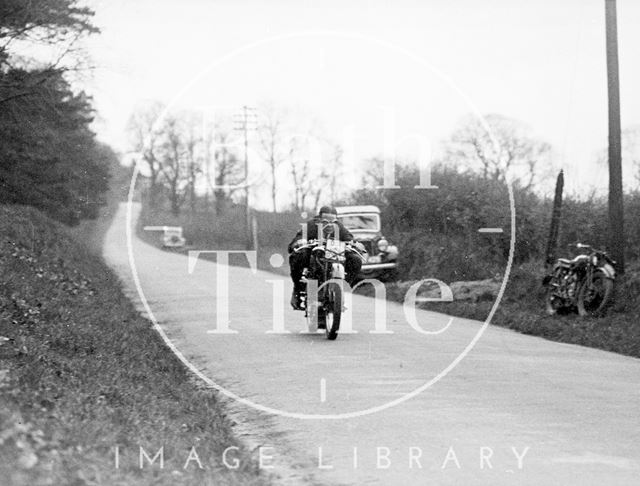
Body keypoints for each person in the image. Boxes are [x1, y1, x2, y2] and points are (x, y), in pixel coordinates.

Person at [288, 205, 363, 310]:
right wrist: (299, 242)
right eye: (326, 220)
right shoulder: (311, 226)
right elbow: (297, 239)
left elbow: (349, 238)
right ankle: (297, 289)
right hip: (314, 257)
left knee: (355, 260)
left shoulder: (339, 227)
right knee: (298, 256)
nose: (329, 223)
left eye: (333, 220)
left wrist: (354, 244)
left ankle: (343, 287)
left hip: (333, 256)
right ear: (319, 218)